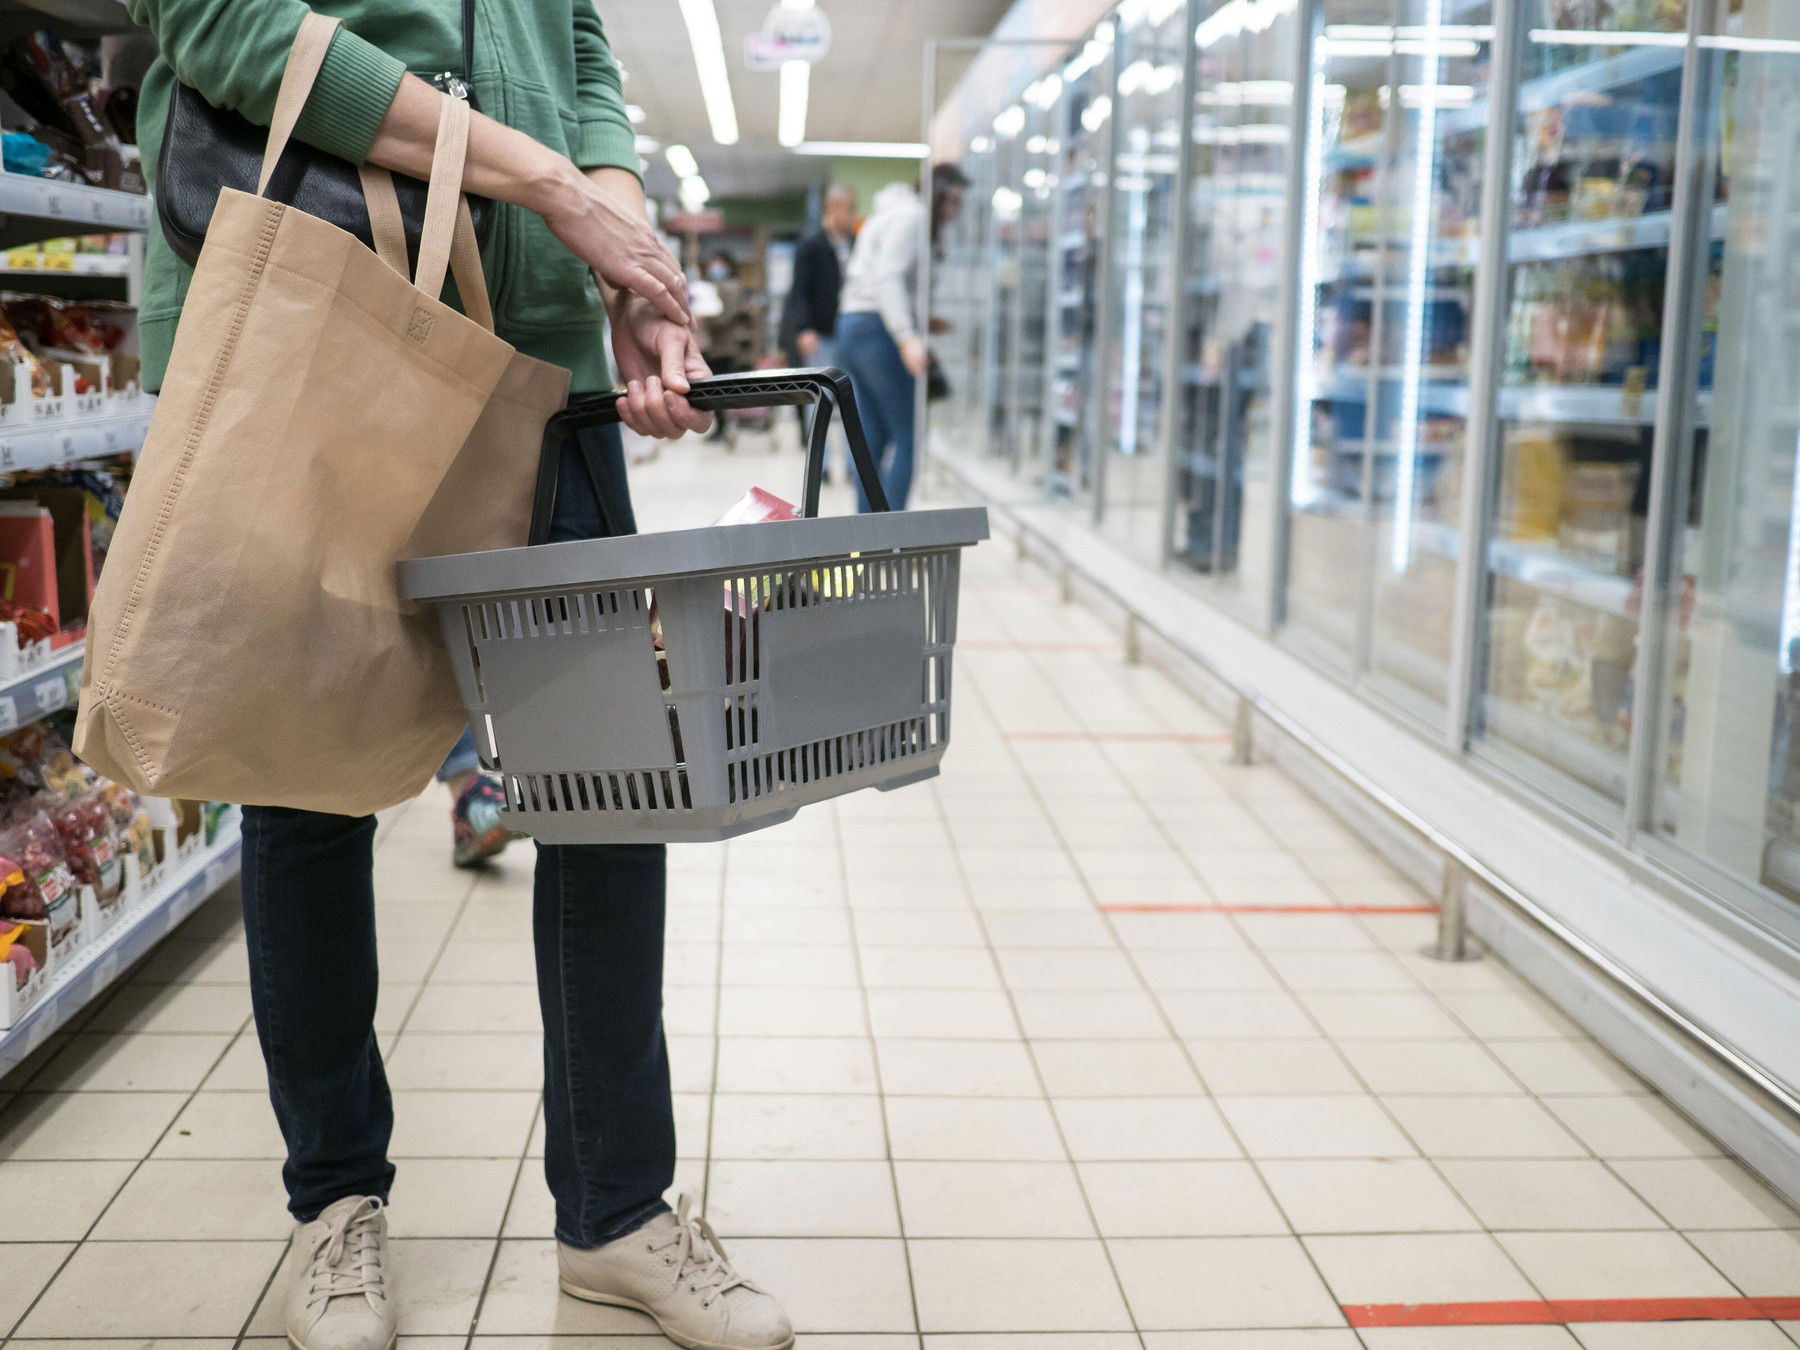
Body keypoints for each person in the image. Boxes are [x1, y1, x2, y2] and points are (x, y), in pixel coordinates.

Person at [121, 4, 794, 1350]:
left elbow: (580, 54)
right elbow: (221, 27)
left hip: (539, 349)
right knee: (304, 780)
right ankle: (335, 1203)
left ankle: (618, 1211)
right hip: (304, 311)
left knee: (613, 780)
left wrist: (627, 270)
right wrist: (539, 180)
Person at [835, 163, 966, 511]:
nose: (955, 212)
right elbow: (889, 278)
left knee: (873, 437)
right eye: (952, 202)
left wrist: (923, 321)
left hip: (855, 325)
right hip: (877, 331)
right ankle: (891, 538)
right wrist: (907, 335)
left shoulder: (893, 213)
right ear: (937, 195)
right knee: (910, 436)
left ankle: (868, 535)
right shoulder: (913, 217)